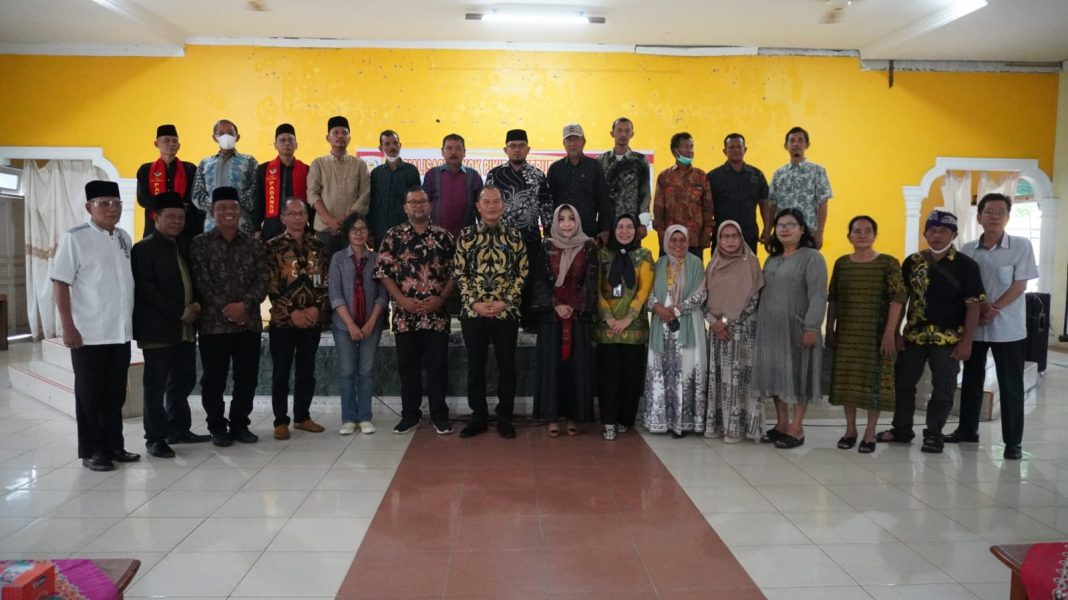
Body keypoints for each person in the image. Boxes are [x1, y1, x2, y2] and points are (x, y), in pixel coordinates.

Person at [878, 210, 985, 454]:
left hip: (948, 339)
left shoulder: (966, 266)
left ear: (954, 234)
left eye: (943, 231)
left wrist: (967, 341)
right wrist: (895, 332)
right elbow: (900, 300)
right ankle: (902, 429)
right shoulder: (912, 262)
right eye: (932, 230)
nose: (936, 235)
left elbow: (973, 306)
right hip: (913, 336)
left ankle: (934, 434)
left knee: (943, 387)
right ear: (925, 232)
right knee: (903, 384)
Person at [51, 180, 140, 471]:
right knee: (90, 396)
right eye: (104, 203)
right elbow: (61, 283)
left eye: (116, 203)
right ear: (89, 207)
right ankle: (92, 451)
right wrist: (68, 326)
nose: (112, 208)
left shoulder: (124, 237)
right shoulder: (74, 238)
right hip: (89, 334)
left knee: (116, 394)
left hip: (119, 333)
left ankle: (114, 446)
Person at [953, 193, 1038, 460]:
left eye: (1001, 211)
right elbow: (962, 287)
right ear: (979, 217)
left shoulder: (1021, 246)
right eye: (989, 211)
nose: (995, 216)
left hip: (1008, 329)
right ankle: (967, 430)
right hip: (974, 326)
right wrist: (979, 311)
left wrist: (994, 308)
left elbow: (1020, 284)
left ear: (1008, 217)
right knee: (971, 380)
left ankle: (1013, 442)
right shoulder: (967, 249)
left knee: (1010, 386)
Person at [131, 192, 211, 459]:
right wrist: (180, 312)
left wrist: (197, 305)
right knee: (155, 385)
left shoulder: (185, 246)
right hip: (158, 329)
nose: (177, 221)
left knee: (183, 379)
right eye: (171, 216)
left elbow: (196, 280)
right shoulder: (143, 249)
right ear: (156, 217)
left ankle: (178, 428)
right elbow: (147, 289)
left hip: (185, 328)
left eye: (181, 217)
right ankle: (155, 437)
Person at [189, 186, 269, 447]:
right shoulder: (200, 244)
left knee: (247, 377)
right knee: (214, 379)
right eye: (222, 207)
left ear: (240, 211)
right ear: (213, 211)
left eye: (233, 207)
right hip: (215, 325)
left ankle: (239, 424)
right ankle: (217, 427)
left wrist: (244, 307)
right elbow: (201, 282)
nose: (228, 212)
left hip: (248, 324)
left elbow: (262, 280)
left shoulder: (254, 244)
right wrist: (230, 310)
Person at [376, 185, 457, 435]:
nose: (418, 206)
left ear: (430, 205)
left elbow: (456, 273)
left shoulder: (444, 236)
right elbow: (383, 272)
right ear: (405, 207)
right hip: (404, 316)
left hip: (437, 315)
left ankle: (439, 416)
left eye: (422, 202)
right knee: (407, 368)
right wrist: (402, 300)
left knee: (437, 367)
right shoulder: (393, 236)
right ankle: (409, 415)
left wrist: (440, 299)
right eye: (413, 202)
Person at [826, 216, 906, 454]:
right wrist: (830, 328)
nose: (862, 234)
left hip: (876, 333)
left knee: (874, 384)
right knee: (848, 382)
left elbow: (898, 299)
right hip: (848, 333)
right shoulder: (842, 263)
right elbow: (834, 298)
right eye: (857, 230)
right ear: (848, 236)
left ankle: (870, 432)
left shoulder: (888, 263)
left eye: (867, 230)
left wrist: (890, 333)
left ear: (875, 235)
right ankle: (850, 430)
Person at [455, 185, 529, 439]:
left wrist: (505, 302)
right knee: (476, 366)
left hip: (505, 313)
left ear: (503, 205)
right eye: (486, 202)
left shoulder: (515, 237)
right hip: (473, 313)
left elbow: (522, 273)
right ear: (478, 206)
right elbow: (460, 273)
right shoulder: (465, 236)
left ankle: (505, 418)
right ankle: (478, 417)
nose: (491, 206)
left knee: (506, 366)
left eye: (496, 201)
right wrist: (474, 302)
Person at [753, 209, 828, 449]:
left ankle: (797, 427)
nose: (785, 229)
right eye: (780, 224)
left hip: (797, 328)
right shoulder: (772, 259)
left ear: (802, 229)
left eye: (791, 224)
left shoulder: (812, 258)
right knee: (776, 374)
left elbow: (818, 296)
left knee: (799, 375)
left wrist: (812, 328)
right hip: (770, 330)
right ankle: (782, 424)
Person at [531, 204, 598, 437]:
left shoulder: (589, 246)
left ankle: (573, 416)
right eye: (561, 219)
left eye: (571, 218)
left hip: (577, 318)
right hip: (552, 317)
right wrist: (556, 305)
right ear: (555, 223)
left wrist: (574, 307)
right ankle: (551, 416)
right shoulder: (547, 246)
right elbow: (539, 279)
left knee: (575, 368)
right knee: (552, 366)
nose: (567, 223)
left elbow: (591, 280)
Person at [265, 198, 329, 440]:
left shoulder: (318, 246)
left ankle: (302, 416)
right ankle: (280, 421)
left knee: (306, 371)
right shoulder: (272, 246)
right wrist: (292, 311)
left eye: (301, 213)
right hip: (283, 321)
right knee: (281, 372)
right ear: (283, 218)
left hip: (311, 320)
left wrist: (315, 309)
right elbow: (271, 284)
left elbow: (325, 281)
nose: (297, 217)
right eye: (291, 213)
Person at [643, 225, 708, 438]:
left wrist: (678, 310)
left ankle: (685, 422)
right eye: (673, 240)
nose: (678, 244)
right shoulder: (659, 263)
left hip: (687, 323)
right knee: (662, 370)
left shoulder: (696, 263)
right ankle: (661, 421)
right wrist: (659, 308)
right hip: (661, 323)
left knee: (686, 370)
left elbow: (701, 294)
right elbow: (648, 292)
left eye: (682, 240)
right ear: (666, 242)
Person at [704, 220, 765, 443]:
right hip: (718, 334)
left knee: (740, 381)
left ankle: (739, 428)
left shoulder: (751, 263)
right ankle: (718, 425)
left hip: (742, 332)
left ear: (741, 238)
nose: (730, 240)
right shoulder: (712, 265)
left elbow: (753, 300)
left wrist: (726, 321)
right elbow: (704, 299)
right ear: (718, 240)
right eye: (725, 236)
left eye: (734, 236)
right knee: (720, 380)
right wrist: (714, 322)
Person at [484, 129, 552, 330]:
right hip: (500, 240)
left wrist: (548, 234)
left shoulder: (538, 175)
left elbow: (546, 206)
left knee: (529, 281)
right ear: (505, 149)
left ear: (528, 149)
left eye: (521, 146)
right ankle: (504, 321)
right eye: (512, 146)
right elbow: (487, 205)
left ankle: (529, 322)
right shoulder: (495, 175)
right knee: (502, 280)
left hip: (530, 238)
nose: (516, 150)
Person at [596, 214, 654, 440]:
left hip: (634, 327)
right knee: (607, 378)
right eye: (619, 226)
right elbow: (597, 289)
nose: (624, 231)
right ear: (613, 229)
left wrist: (628, 319)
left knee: (630, 377)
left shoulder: (644, 255)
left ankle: (625, 419)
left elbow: (643, 291)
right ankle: (608, 421)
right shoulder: (602, 255)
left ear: (636, 231)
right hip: (607, 328)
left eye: (629, 227)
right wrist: (608, 318)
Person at [329, 212, 388, 435]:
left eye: (363, 228)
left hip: (371, 324)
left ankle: (364, 416)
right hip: (344, 325)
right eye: (354, 229)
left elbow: (383, 294)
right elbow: (335, 295)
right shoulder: (337, 259)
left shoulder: (376, 259)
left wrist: (372, 321)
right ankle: (348, 418)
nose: (359, 233)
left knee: (366, 370)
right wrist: (351, 325)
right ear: (347, 233)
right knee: (346, 371)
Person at [308, 115, 371, 257]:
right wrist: (330, 220)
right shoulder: (318, 164)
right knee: (324, 270)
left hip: (353, 229)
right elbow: (312, 194)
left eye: (344, 132)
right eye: (335, 132)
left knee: (352, 272)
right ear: (327, 138)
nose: (340, 136)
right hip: (324, 229)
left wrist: (346, 220)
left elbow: (365, 194)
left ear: (349, 138)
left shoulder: (359, 165)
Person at [135, 124, 202, 253]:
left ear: (179, 146)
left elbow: (193, 196)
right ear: (156, 143)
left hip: (185, 226)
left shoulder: (189, 169)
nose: (171, 144)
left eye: (174, 141)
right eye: (166, 140)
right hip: (155, 226)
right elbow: (143, 199)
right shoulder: (146, 169)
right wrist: (168, 209)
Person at [768, 126, 832, 249]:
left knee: (807, 266)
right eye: (792, 140)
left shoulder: (817, 171)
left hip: (808, 233)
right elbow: (773, 205)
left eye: (800, 140)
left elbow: (822, 203)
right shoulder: (779, 174)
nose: (796, 144)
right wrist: (768, 231)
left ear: (807, 144)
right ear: (785, 146)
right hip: (783, 234)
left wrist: (820, 232)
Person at [653, 132, 714, 258]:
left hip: (694, 240)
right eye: (686, 147)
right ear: (675, 150)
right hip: (670, 240)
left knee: (694, 275)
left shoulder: (701, 176)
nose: (691, 151)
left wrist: (707, 232)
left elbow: (708, 207)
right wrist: (661, 233)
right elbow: (658, 208)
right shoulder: (664, 177)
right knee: (669, 276)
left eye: (692, 147)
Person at [191, 119, 258, 234]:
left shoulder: (249, 161)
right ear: (214, 138)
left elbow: (255, 189)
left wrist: (235, 205)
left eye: (230, 133)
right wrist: (215, 206)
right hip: (212, 226)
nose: (226, 136)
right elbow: (197, 194)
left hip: (242, 225)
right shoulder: (205, 164)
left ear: (237, 137)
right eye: (221, 134)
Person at [706, 133, 771, 253]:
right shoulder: (713, 177)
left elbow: (765, 204)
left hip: (748, 235)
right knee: (721, 271)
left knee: (748, 270)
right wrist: (706, 232)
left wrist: (767, 230)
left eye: (739, 146)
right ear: (724, 151)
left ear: (745, 149)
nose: (735, 150)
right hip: (722, 236)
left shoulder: (756, 175)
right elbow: (706, 208)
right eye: (731, 147)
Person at [546, 123, 611, 241]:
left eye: (576, 139)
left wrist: (604, 229)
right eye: (568, 140)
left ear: (584, 142)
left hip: (588, 231)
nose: (572, 144)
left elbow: (603, 200)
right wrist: (548, 231)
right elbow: (549, 203)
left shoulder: (594, 167)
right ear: (564, 144)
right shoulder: (555, 169)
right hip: (562, 233)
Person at [596, 117, 652, 238]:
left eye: (627, 131)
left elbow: (645, 193)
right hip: (606, 224)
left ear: (632, 134)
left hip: (631, 225)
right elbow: (596, 195)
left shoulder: (640, 161)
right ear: (612, 133)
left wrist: (643, 224)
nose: (623, 134)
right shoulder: (600, 161)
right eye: (619, 130)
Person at [253, 123, 309, 241]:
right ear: (275, 145)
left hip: (299, 226)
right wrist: (256, 228)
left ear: (296, 145)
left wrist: (312, 229)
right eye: (282, 140)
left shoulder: (306, 170)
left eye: (290, 140)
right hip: (272, 227)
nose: (287, 143)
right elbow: (258, 199)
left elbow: (310, 201)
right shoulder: (264, 169)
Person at [423, 133, 482, 238]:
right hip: (436, 236)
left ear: (464, 152)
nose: (453, 152)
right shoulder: (432, 174)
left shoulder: (473, 175)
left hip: (466, 236)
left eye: (458, 148)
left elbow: (480, 208)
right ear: (442, 152)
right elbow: (424, 205)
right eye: (449, 148)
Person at [368, 129, 422, 244]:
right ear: (380, 148)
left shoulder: (411, 171)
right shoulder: (376, 174)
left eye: (395, 143)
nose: (392, 147)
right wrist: (369, 231)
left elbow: (418, 203)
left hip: (406, 232)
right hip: (380, 232)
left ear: (400, 145)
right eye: (387, 144)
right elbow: (371, 204)